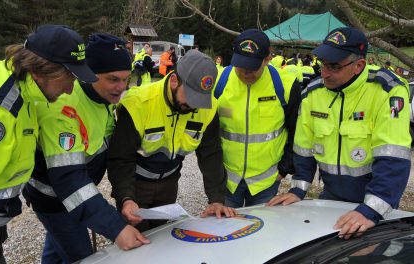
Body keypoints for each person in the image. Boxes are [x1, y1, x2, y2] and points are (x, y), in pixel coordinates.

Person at [268, 27, 411, 240]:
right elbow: (304, 147)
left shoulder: (387, 91)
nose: (324, 73)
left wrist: (371, 210)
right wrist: (298, 189)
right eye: (323, 64)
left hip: (373, 200)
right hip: (331, 196)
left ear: (358, 66)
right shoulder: (313, 93)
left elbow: (393, 156)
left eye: (334, 66)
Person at [0, 24, 97, 263]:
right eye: (69, 76)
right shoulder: (0, 111)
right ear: (41, 70)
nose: (71, 88)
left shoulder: (22, 85)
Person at [22, 33, 149, 263]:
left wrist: (126, 197)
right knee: (83, 256)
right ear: (90, 75)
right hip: (56, 201)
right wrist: (115, 227)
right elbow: (69, 179)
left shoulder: (103, 100)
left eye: (126, 79)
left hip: (78, 199)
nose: (121, 88)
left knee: (56, 251)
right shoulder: (64, 105)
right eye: (113, 79)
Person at [107, 50, 236, 231]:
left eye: (199, 100)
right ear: (174, 80)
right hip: (136, 185)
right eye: (190, 97)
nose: (193, 107)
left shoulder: (208, 108)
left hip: (169, 185)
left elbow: (211, 154)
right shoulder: (138, 104)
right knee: (135, 240)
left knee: (160, 237)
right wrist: (126, 198)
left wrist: (216, 199)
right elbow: (120, 158)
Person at [213, 29, 301, 208]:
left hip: (266, 182)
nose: (245, 73)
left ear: (267, 59)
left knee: (261, 232)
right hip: (227, 180)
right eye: (240, 65)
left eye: (252, 67)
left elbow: (297, 132)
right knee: (228, 232)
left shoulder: (286, 85)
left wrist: (284, 170)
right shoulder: (219, 80)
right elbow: (208, 132)